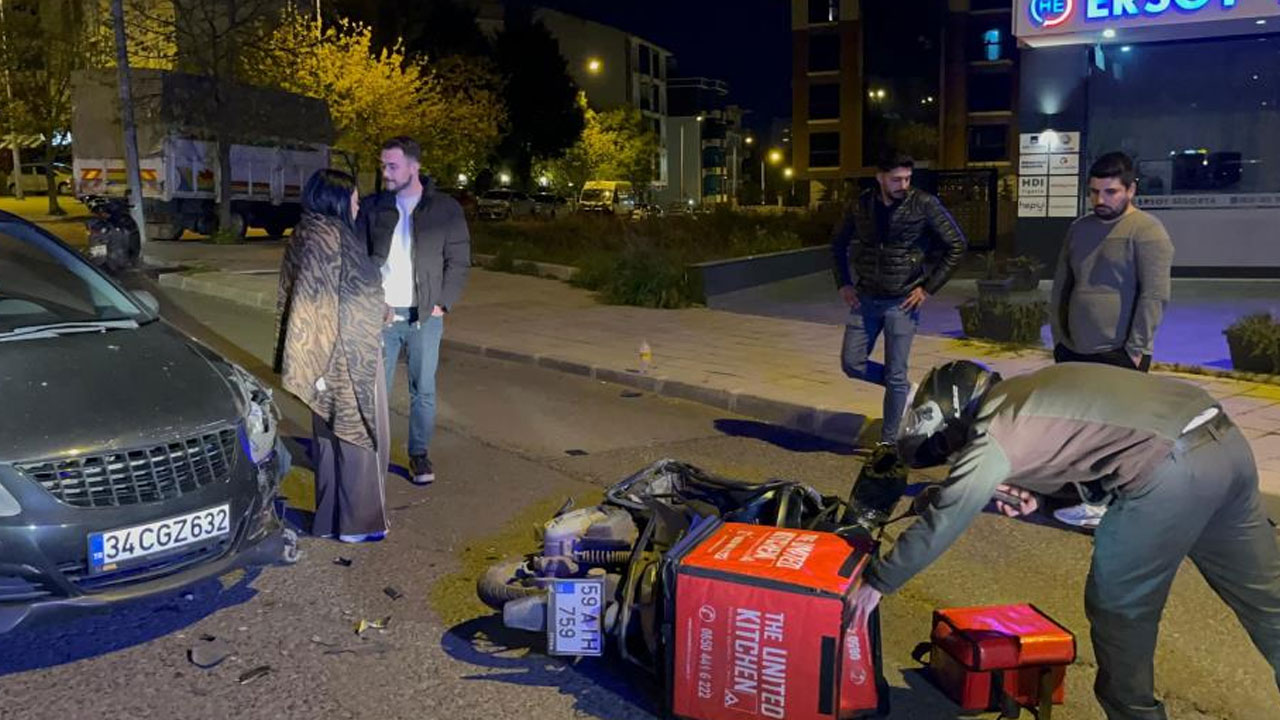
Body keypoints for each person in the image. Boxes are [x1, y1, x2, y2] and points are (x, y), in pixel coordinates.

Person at [850, 360, 1280, 720]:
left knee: (1119, 606)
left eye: (950, 447)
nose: (955, 454)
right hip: (1224, 439)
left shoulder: (996, 427)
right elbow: (1093, 446)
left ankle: (1135, 714)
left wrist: (879, 581)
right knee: (1267, 599)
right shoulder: (1028, 390)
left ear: (954, 417)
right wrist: (1040, 504)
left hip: (1170, 473)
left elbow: (947, 517)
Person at [1050, 151, 1174, 529]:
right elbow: (1062, 285)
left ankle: (1112, 507)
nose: (1101, 200)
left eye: (1111, 192)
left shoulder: (1147, 232)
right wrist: (1058, 336)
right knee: (1080, 428)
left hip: (1120, 353)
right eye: (1094, 192)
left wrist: (1135, 350)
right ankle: (1088, 496)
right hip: (1074, 348)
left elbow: (1155, 295)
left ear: (1131, 189)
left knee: (1115, 434)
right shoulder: (1080, 228)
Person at [275, 169, 390, 543]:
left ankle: (329, 521)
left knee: (328, 441)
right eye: (354, 199)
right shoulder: (327, 237)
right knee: (356, 438)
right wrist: (380, 311)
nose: (358, 206)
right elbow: (320, 305)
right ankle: (356, 524)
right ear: (336, 199)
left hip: (327, 355)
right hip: (344, 358)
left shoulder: (310, 231)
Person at [831, 150, 967, 446]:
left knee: (894, 372)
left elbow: (956, 244)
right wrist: (844, 283)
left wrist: (928, 288)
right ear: (880, 177)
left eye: (907, 178)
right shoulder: (861, 204)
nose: (903, 185)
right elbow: (838, 243)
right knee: (851, 363)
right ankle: (906, 390)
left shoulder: (924, 204)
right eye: (896, 179)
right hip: (865, 297)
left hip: (902, 301)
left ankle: (888, 444)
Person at [360, 137, 471, 486]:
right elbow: (359, 260)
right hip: (383, 315)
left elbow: (459, 260)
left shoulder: (445, 209)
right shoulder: (374, 207)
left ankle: (418, 455)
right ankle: (371, 455)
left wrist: (443, 302)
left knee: (423, 389)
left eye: (392, 166)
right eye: (383, 166)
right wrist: (371, 300)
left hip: (425, 316)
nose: (386, 172)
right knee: (375, 388)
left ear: (414, 166)